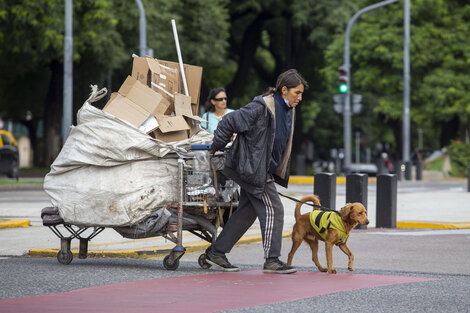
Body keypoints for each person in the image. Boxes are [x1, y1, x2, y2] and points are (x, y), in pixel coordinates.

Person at [204, 69, 308, 274]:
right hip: (251, 169)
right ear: (284, 90)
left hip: (260, 169)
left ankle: (216, 253)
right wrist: (217, 145)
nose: (300, 98)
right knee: (274, 209)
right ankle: (272, 260)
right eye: (297, 92)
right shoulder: (261, 107)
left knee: (247, 212)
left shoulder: (288, 109)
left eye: (301, 93)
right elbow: (229, 121)